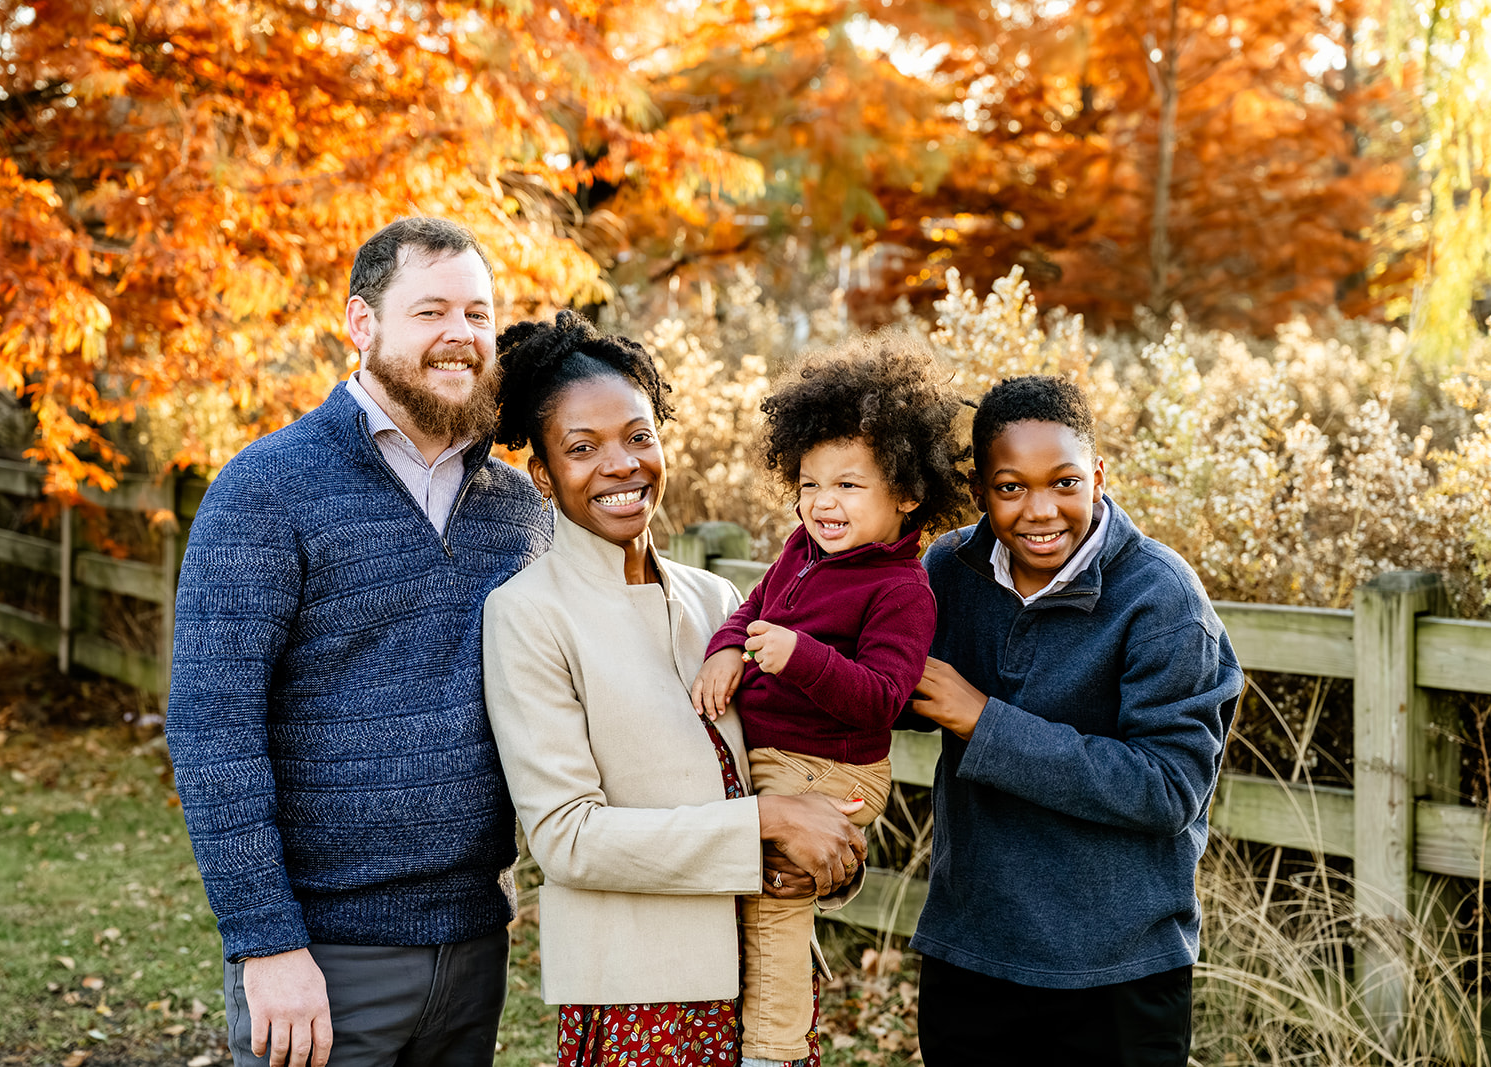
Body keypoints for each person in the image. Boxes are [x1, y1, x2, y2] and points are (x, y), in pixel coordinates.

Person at [165, 217, 552, 1067]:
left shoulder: (519, 510)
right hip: (323, 956)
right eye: (432, 311)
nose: (461, 334)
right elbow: (211, 728)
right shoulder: (267, 489)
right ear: (362, 324)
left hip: (476, 947)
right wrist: (267, 942)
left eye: (480, 313)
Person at [480, 310, 868, 1067]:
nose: (621, 464)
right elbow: (567, 837)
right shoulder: (527, 615)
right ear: (544, 474)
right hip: (642, 1004)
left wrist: (830, 850)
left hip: (767, 988)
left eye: (638, 435)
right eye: (582, 448)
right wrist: (766, 821)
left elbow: (784, 766)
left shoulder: (717, 601)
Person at [906, 374, 1243, 1066]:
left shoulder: (1162, 598)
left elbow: (1167, 788)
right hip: (971, 955)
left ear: (1097, 475)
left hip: (1116, 976)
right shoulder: (948, 569)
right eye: (1011, 487)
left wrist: (985, 722)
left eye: (1064, 482)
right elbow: (898, 695)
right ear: (979, 493)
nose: (1041, 509)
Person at [688, 336, 970, 1067]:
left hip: (830, 766)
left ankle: (774, 1051)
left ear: (906, 493)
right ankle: (728, 1023)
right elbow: (749, 609)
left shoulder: (901, 589)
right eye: (810, 484)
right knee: (741, 883)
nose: (823, 503)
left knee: (774, 900)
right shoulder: (799, 550)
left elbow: (881, 699)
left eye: (848, 485)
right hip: (778, 753)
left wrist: (801, 656)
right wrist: (726, 648)